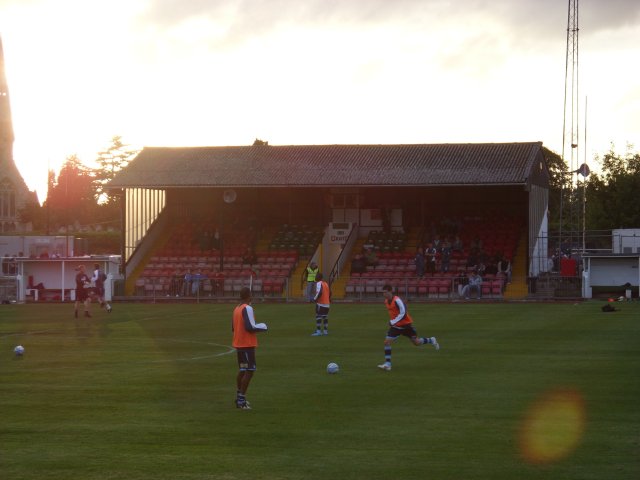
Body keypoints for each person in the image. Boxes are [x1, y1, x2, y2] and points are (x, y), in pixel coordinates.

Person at [378, 284, 439, 371]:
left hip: (406, 326)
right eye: (383, 293)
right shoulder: (386, 301)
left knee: (416, 342)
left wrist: (392, 321)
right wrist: (394, 323)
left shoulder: (397, 300)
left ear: (391, 291)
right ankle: (388, 364)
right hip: (396, 327)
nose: (384, 294)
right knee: (387, 342)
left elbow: (403, 313)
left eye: (385, 292)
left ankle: (431, 340)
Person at [232, 287, 268, 410]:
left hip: (238, 345)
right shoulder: (247, 308)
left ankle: (239, 398)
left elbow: (233, 328)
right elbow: (249, 327)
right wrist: (263, 327)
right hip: (247, 345)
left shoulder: (236, 308)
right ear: (249, 296)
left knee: (242, 370)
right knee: (250, 371)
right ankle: (241, 400)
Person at [311, 272, 331, 336]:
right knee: (325, 317)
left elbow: (319, 292)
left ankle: (318, 331)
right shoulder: (326, 284)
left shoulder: (319, 283)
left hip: (321, 303)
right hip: (327, 303)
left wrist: (315, 299)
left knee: (318, 316)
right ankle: (325, 331)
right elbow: (330, 293)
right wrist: (328, 299)